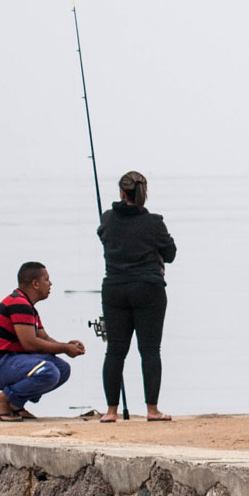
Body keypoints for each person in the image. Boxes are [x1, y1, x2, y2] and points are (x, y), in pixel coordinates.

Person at [96, 170, 177, 423]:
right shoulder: (154, 222)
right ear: (144, 192)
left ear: (122, 192)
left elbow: (103, 237)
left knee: (115, 351)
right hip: (148, 288)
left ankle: (111, 411)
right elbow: (171, 253)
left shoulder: (108, 218)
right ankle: (152, 410)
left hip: (115, 288)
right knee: (150, 350)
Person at [0, 262, 86, 420]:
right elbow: (30, 344)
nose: (50, 284)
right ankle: (1, 400)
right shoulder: (18, 303)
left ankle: (16, 405)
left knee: (62, 368)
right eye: (46, 280)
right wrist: (64, 348)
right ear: (35, 284)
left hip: (12, 361)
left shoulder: (29, 307)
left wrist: (67, 346)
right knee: (49, 371)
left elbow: (44, 338)